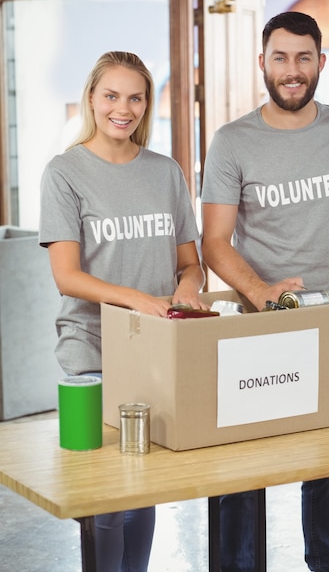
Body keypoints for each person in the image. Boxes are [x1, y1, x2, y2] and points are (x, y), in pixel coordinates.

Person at [201, 12, 329, 572]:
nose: (292, 70)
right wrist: (261, 294)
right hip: (256, 328)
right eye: (280, 57)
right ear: (262, 63)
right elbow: (214, 241)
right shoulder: (232, 141)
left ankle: (327, 563)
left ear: (320, 64)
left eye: (303, 57)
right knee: (241, 465)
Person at [39, 51, 206, 572]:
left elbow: (191, 264)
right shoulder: (65, 173)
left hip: (155, 353)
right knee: (107, 497)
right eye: (111, 95)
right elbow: (67, 275)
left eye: (135, 97)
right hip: (91, 354)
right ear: (91, 98)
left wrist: (187, 289)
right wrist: (140, 299)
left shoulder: (166, 172)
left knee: (143, 488)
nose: (123, 108)